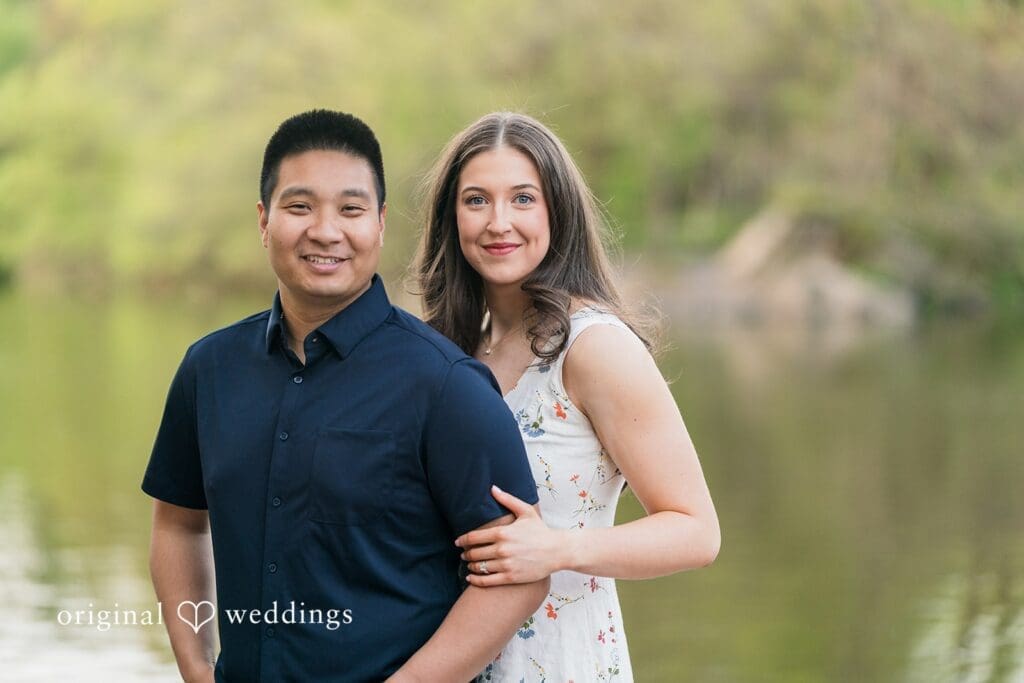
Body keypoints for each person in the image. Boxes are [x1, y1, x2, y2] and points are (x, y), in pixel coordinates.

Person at [142, 109, 549, 682]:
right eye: (299, 207)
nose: (325, 231)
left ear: (380, 223)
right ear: (264, 220)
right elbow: (179, 524)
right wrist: (194, 666)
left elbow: (518, 578)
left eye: (350, 209)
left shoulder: (446, 385)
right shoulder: (208, 369)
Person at [414, 112, 721, 681]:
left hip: (561, 660)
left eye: (523, 198)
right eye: (477, 200)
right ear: (451, 217)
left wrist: (557, 550)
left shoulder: (594, 347)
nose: (498, 222)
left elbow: (696, 530)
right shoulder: (452, 354)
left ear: (558, 210)